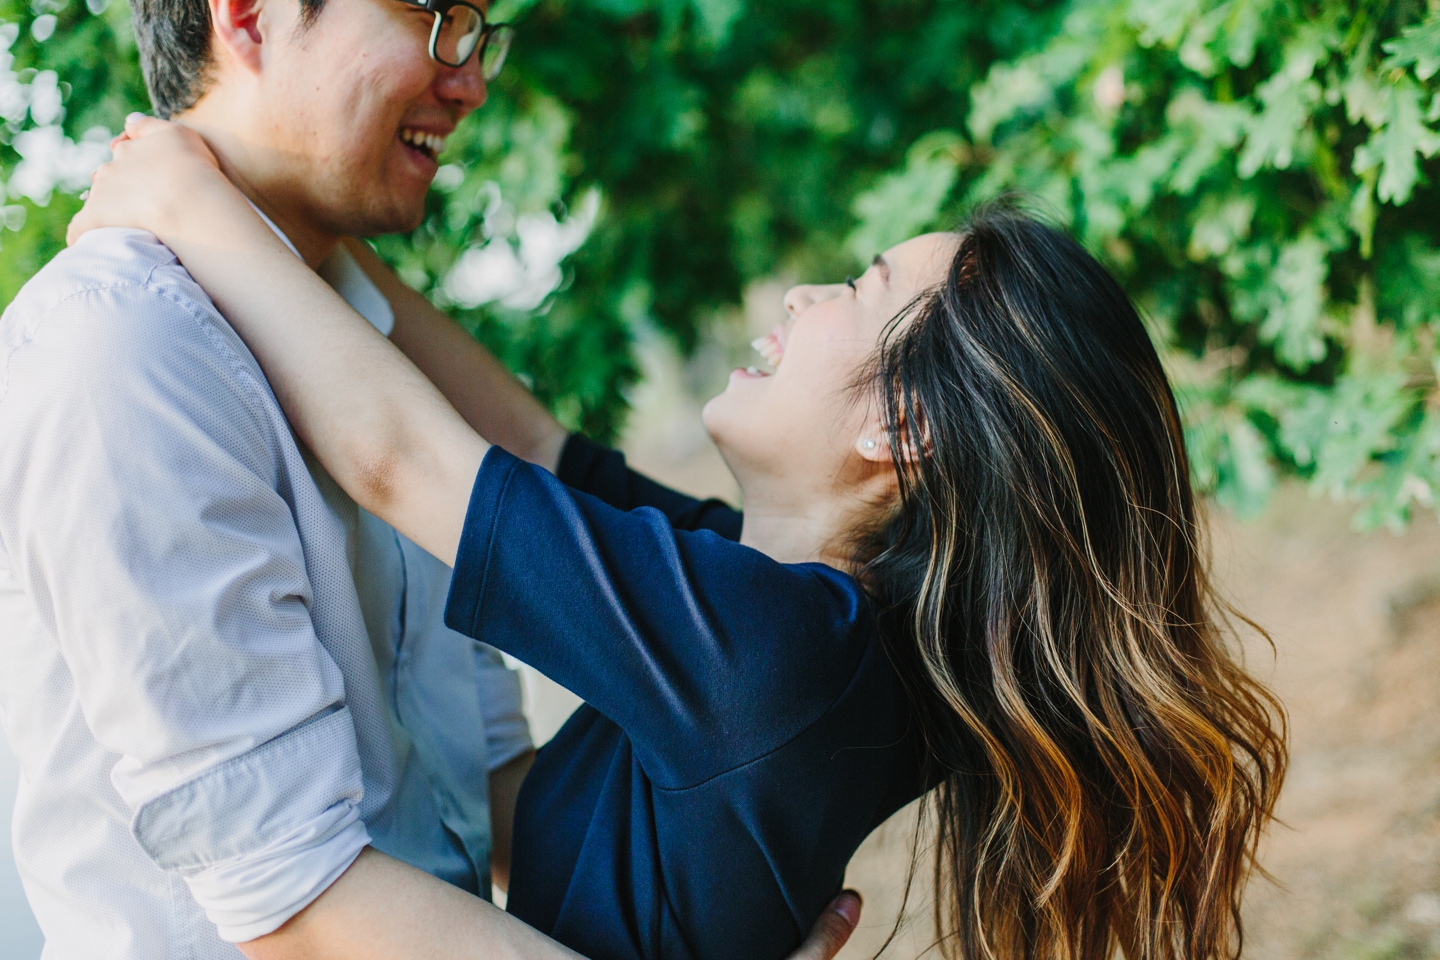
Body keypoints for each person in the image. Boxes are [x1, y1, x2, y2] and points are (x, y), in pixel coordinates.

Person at [72, 116, 1289, 960]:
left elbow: (407, 461)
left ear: (901, 425)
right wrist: (316, 245)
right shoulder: (793, 611)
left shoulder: (772, 659)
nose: (802, 297)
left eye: (857, 289)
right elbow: (535, 452)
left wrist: (190, 201)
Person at [0, 0, 864, 955]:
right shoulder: (130, 344)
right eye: (437, 16)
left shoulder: (379, 365)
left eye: (477, 31)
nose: (471, 78)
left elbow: (474, 794)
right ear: (249, 16)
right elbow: (295, 910)